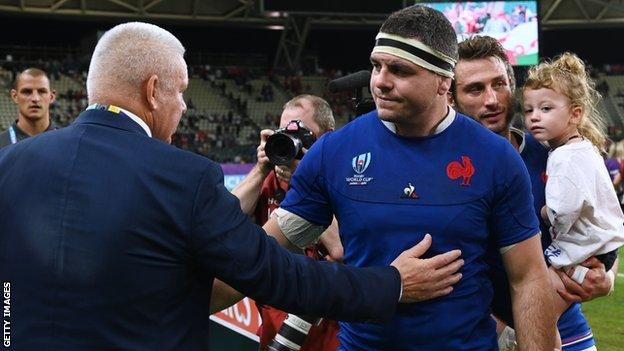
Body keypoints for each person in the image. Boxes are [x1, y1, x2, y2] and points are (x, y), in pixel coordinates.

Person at [0, 22, 462, 351]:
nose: (183, 107)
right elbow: (279, 275)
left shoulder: (11, 164)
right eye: (180, 92)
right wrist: (391, 284)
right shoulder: (184, 177)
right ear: (152, 90)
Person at [261, 6, 555, 350]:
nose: (380, 82)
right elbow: (263, 253)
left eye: (399, 70)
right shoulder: (334, 152)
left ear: (444, 80)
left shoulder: (497, 159)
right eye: (376, 65)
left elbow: (528, 278)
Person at [451, 35, 619, 351]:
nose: (492, 99)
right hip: (484, 334)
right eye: (475, 89)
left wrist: (607, 276)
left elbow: (601, 222)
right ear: (451, 97)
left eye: (499, 84)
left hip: (566, 330)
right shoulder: (444, 169)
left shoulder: (554, 152)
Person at [235, 94, 342, 351]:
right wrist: (260, 169)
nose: (293, 142)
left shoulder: (344, 178)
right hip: (275, 331)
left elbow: (339, 248)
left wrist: (306, 179)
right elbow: (223, 220)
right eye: (285, 132)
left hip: (327, 334)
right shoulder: (271, 180)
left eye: (302, 133)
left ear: (327, 135)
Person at [523, 52, 624, 316]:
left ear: (575, 114)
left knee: (539, 317)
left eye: (545, 109)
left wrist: (545, 213)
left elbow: (563, 213)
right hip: (600, 250)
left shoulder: (563, 157)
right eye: (529, 110)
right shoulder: (582, 148)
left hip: (586, 256)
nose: (534, 117)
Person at [0, 68, 57, 148]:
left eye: (42, 91)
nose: (35, 98)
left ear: (51, 97)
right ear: (15, 96)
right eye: (27, 92)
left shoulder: (68, 144)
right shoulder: (2, 145)